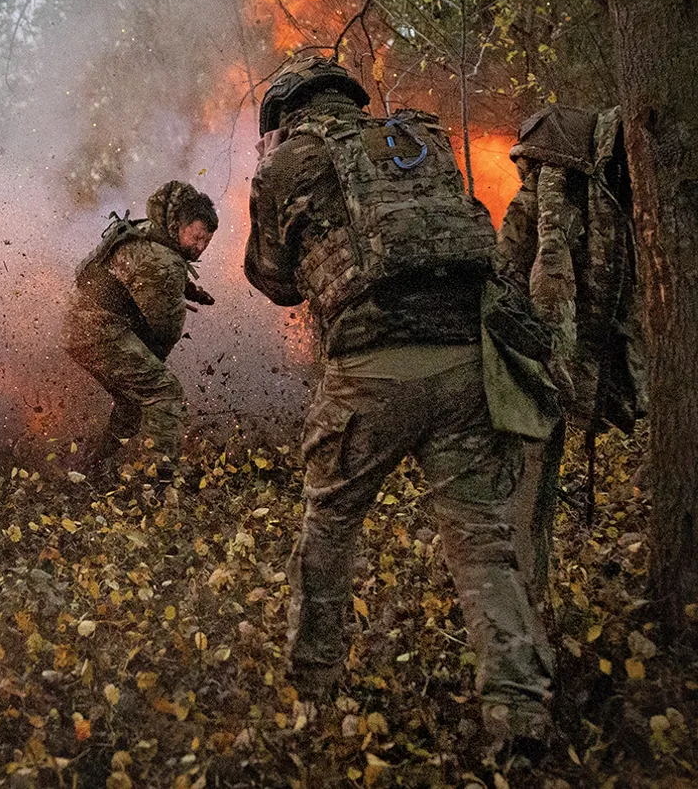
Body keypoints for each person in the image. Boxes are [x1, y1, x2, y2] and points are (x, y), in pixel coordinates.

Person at [244, 55, 553, 751]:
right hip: (466, 364)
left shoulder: (287, 163)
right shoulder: (413, 142)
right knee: (481, 540)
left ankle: (312, 688)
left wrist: (269, 182)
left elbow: (273, 280)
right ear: (352, 103)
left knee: (329, 524)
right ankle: (518, 709)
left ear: (287, 114)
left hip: (369, 373)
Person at [496, 105, 646, 598]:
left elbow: (512, 270)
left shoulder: (551, 194)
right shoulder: (604, 190)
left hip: (535, 367)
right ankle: (528, 600)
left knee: (528, 486)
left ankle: (525, 602)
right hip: (556, 363)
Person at [64, 180, 217, 478]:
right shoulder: (166, 260)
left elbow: (140, 272)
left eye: (205, 242)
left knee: (131, 405)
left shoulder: (148, 230)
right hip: (99, 331)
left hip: (80, 323)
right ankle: (160, 483)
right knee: (165, 391)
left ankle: (89, 469)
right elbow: (165, 333)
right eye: (195, 237)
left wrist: (188, 290)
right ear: (178, 225)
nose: (198, 248)